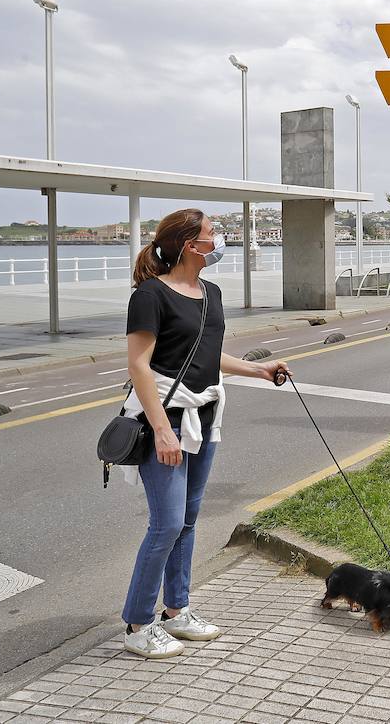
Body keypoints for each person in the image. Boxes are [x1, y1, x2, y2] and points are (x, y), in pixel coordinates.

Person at [119, 207, 288, 659]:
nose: (221, 240)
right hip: (166, 419)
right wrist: (161, 431)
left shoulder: (211, 293)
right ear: (191, 245)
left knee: (188, 522)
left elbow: (207, 358)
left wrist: (258, 368)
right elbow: (139, 365)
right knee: (167, 524)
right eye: (214, 234)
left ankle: (177, 611)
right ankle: (138, 622)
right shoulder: (150, 295)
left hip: (206, 415)